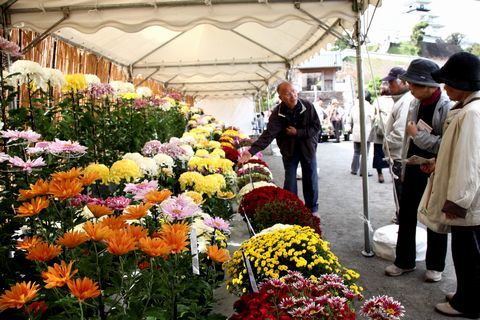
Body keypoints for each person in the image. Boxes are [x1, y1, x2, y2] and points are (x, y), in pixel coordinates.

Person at [417, 52, 480, 318]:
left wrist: (458, 201)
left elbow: (469, 162)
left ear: (464, 84)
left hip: (468, 200)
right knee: (467, 252)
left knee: (468, 254)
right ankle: (466, 294)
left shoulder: (471, 114)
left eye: (449, 83)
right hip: (468, 197)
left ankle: (468, 304)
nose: (445, 88)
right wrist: (438, 166)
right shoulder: (468, 110)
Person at [384, 59, 452, 283]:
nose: (410, 88)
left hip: (435, 169)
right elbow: (407, 138)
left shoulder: (447, 106)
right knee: (406, 214)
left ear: (429, 85)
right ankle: (404, 261)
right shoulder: (414, 103)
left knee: (434, 217)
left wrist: (417, 135)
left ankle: (435, 265)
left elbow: (446, 144)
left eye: (414, 84)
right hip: (413, 166)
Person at [238, 82, 321, 213]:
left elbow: (316, 127)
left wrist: (298, 132)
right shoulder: (277, 113)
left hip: (307, 149)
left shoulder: (308, 106)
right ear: (280, 97)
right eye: (288, 94)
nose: (293, 96)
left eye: (294, 92)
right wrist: (251, 151)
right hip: (289, 150)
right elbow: (268, 135)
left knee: (310, 177)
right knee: (290, 179)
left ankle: (312, 209)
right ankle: (292, 208)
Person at [381, 67, 414, 220]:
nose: (389, 86)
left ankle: (402, 222)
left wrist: (385, 144)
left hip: (399, 156)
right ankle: (401, 218)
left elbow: (400, 134)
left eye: (392, 82)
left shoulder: (406, 101)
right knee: (400, 194)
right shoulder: (402, 100)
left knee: (402, 196)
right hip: (397, 155)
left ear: (402, 83)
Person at [368, 82, 391, 183]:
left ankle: (380, 175)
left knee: (378, 153)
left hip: (379, 131)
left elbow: (373, 116)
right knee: (391, 153)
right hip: (390, 131)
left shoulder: (377, 100)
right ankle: (392, 172)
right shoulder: (394, 100)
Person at [350, 91, 374, 176]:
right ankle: (363, 171)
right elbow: (373, 119)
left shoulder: (353, 107)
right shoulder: (370, 107)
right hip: (366, 132)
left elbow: (350, 121)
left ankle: (354, 169)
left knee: (356, 152)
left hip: (356, 132)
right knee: (365, 153)